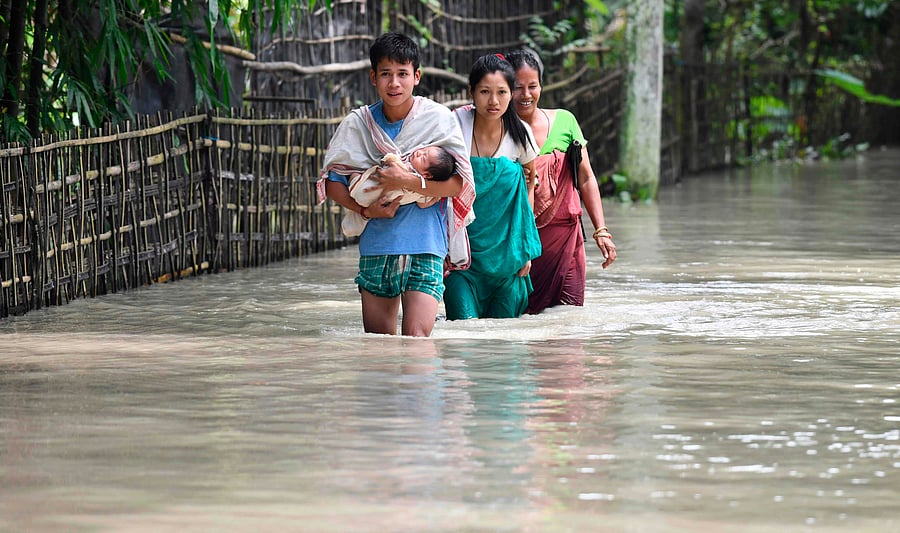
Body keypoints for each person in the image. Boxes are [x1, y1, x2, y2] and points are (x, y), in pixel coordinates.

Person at [319, 32, 475, 337]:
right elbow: (334, 184)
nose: (394, 83)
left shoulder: (438, 119)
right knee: (379, 348)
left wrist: (407, 180)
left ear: (416, 76)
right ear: (373, 77)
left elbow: (459, 183)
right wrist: (367, 211)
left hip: (426, 246)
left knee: (418, 344)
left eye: (403, 74)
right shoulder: (358, 125)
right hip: (378, 246)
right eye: (386, 74)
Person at [506, 49, 618, 314]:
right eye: (517, 87)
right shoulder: (496, 131)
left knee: (568, 318)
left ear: (541, 86)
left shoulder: (565, 121)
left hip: (566, 241)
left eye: (533, 86)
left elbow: (586, 177)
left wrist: (601, 230)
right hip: (518, 244)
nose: (526, 94)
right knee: (518, 318)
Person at [444, 54, 542, 320]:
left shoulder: (520, 133)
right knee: (464, 332)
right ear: (471, 92)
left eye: (501, 92)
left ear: (511, 94)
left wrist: (523, 249)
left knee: (503, 341)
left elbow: (529, 185)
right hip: (461, 256)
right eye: (485, 92)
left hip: (507, 258)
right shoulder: (454, 127)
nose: (493, 101)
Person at [342, 145, 456, 237]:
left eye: (423, 158)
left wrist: (390, 159)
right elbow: (422, 205)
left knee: (355, 173)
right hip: (371, 202)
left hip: (360, 187)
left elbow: (391, 158)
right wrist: (435, 198)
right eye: (423, 150)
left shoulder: (404, 168)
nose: (419, 153)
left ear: (427, 175)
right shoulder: (422, 192)